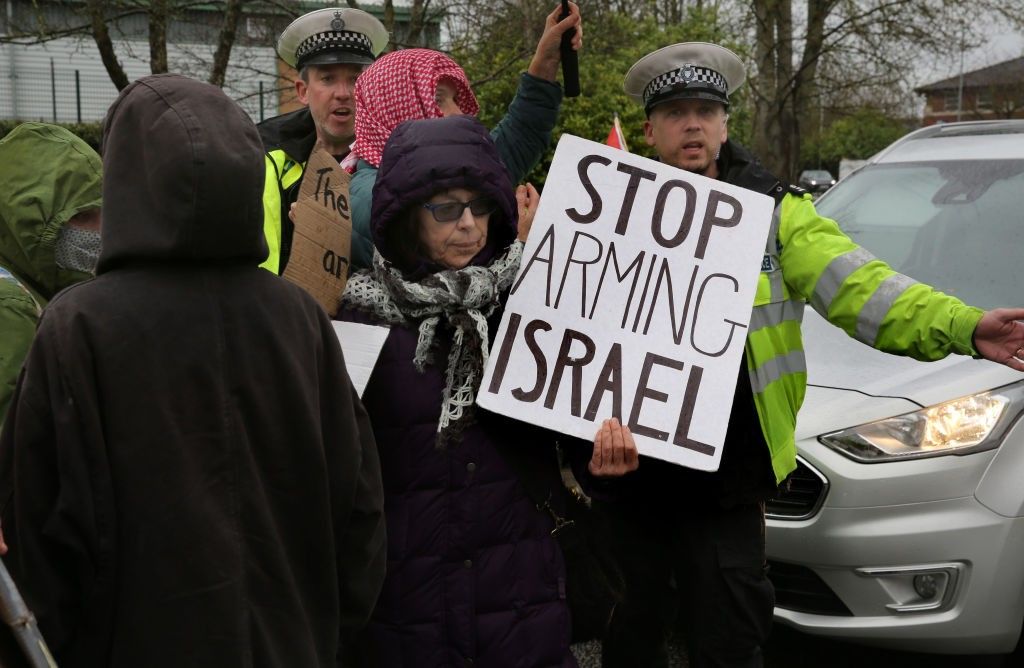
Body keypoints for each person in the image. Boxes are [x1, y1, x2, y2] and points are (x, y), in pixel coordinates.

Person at [599, 42, 1024, 668]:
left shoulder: (776, 212)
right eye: (676, 113)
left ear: (724, 124)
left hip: (729, 482)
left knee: (730, 641)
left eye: (706, 111)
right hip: (633, 474)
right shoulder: (612, 211)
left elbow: (864, 288)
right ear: (650, 129)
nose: (692, 124)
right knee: (628, 639)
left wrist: (964, 325)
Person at [0, 74, 386, 667]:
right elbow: (358, 510)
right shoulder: (297, 317)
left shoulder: (77, 327)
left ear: (125, 178)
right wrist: (319, 632)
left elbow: (41, 536)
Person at [339, 114, 638, 667]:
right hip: (404, 607)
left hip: (521, 602)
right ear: (405, 217)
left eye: (480, 207)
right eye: (447, 209)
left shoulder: (534, 306)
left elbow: (576, 443)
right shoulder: (355, 318)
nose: (470, 224)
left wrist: (604, 467)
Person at [347, 2, 583, 270]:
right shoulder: (373, 198)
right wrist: (517, 244)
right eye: (439, 99)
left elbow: (517, 141)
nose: (458, 113)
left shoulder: (438, 174)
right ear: (393, 107)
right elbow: (449, 288)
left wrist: (547, 59)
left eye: (457, 99)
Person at [257, 7, 389, 274]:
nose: (343, 93)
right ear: (303, 91)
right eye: (328, 79)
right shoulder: (263, 156)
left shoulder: (396, 159)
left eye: (355, 78)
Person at [0, 122, 102, 427]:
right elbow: (17, 455)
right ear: (25, 224)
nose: (99, 231)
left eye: (102, 211)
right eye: (82, 216)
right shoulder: (11, 308)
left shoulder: (29, 283)